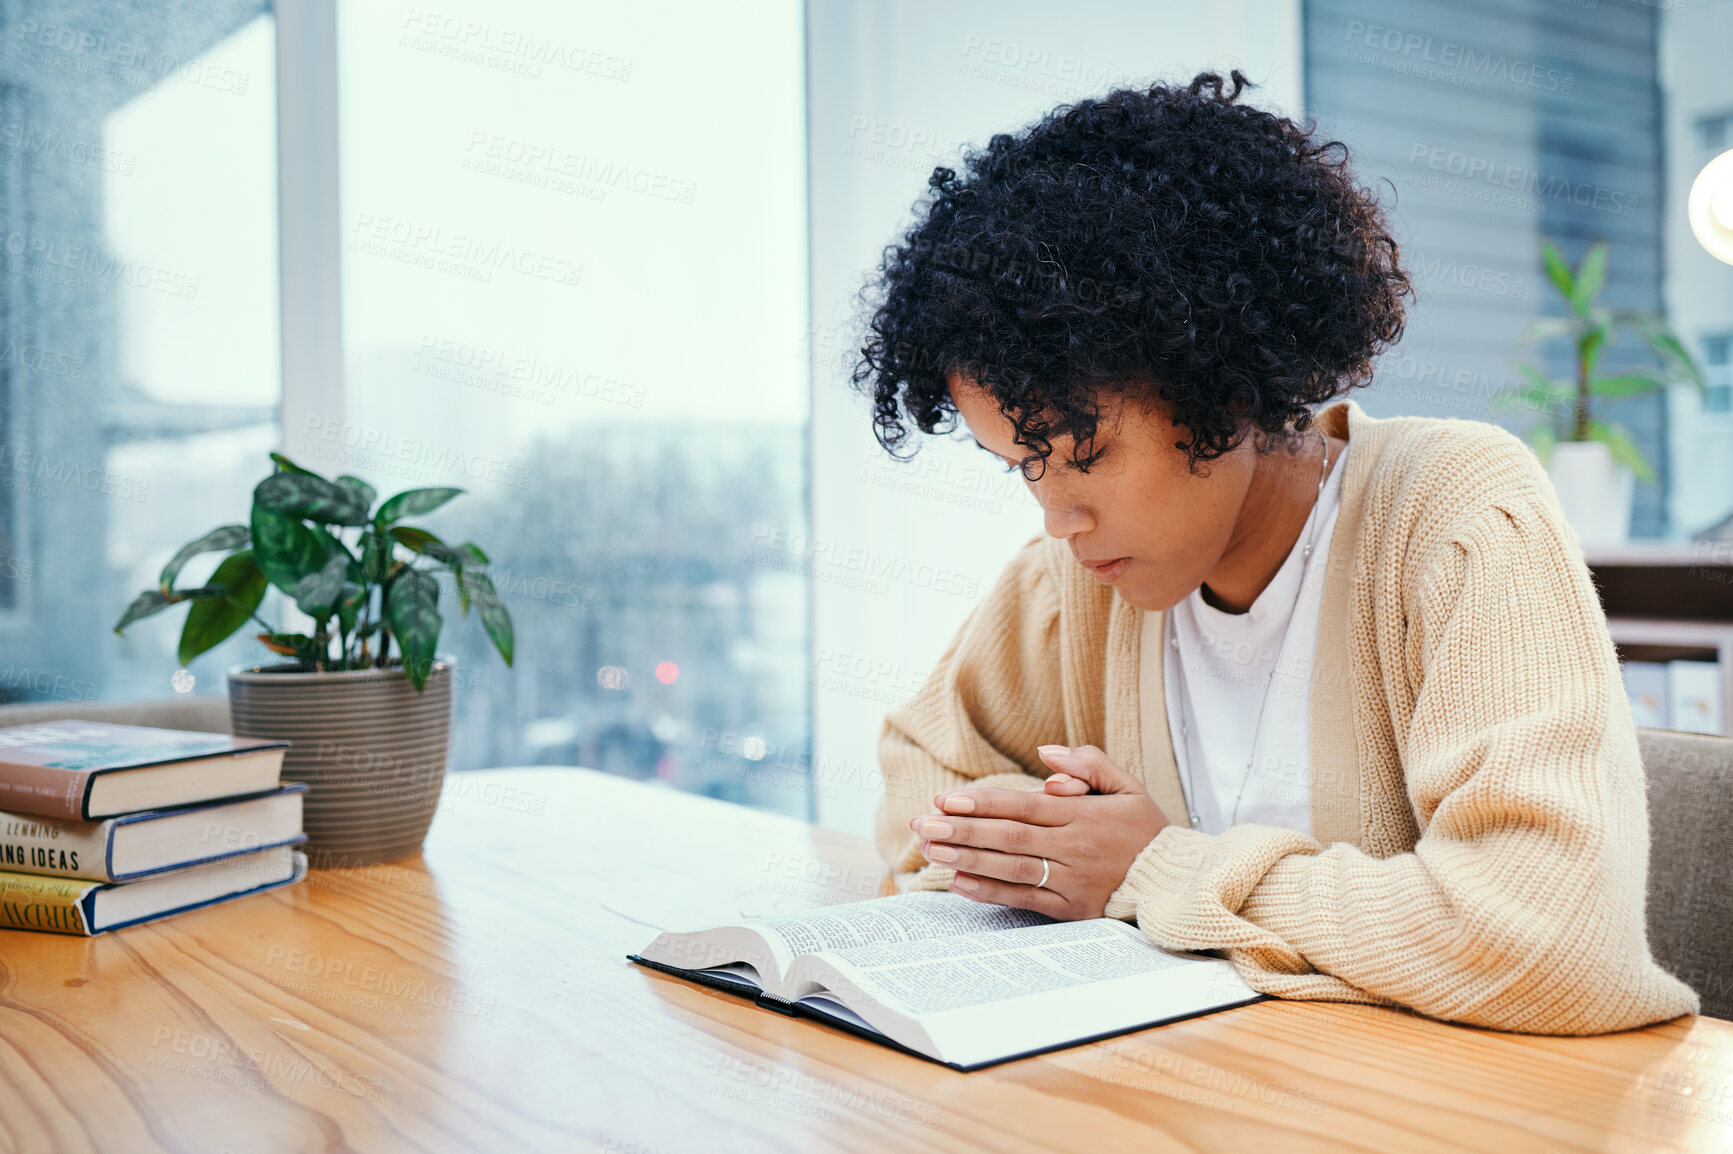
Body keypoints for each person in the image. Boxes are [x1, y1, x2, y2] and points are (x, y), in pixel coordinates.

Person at [852, 70, 1697, 1035]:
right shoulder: (1075, 584)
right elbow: (928, 762)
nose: (1058, 518)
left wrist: (1147, 871)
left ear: (1221, 383)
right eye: (1024, 467)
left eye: (1085, 453)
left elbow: (1548, 937)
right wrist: (1046, 852)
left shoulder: (1451, 515)